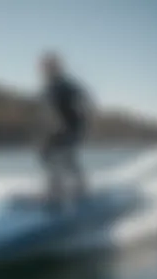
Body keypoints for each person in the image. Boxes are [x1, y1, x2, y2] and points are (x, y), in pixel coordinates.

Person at [38, 52, 95, 205]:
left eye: (49, 67)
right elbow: (48, 110)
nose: (45, 70)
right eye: (44, 67)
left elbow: (85, 99)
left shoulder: (66, 85)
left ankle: (76, 190)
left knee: (64, 158)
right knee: (46, 155)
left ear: (57, 68)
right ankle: (58, 190)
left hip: (71, 130)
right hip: (56, 132)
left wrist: (81, 118)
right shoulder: (48, 87)